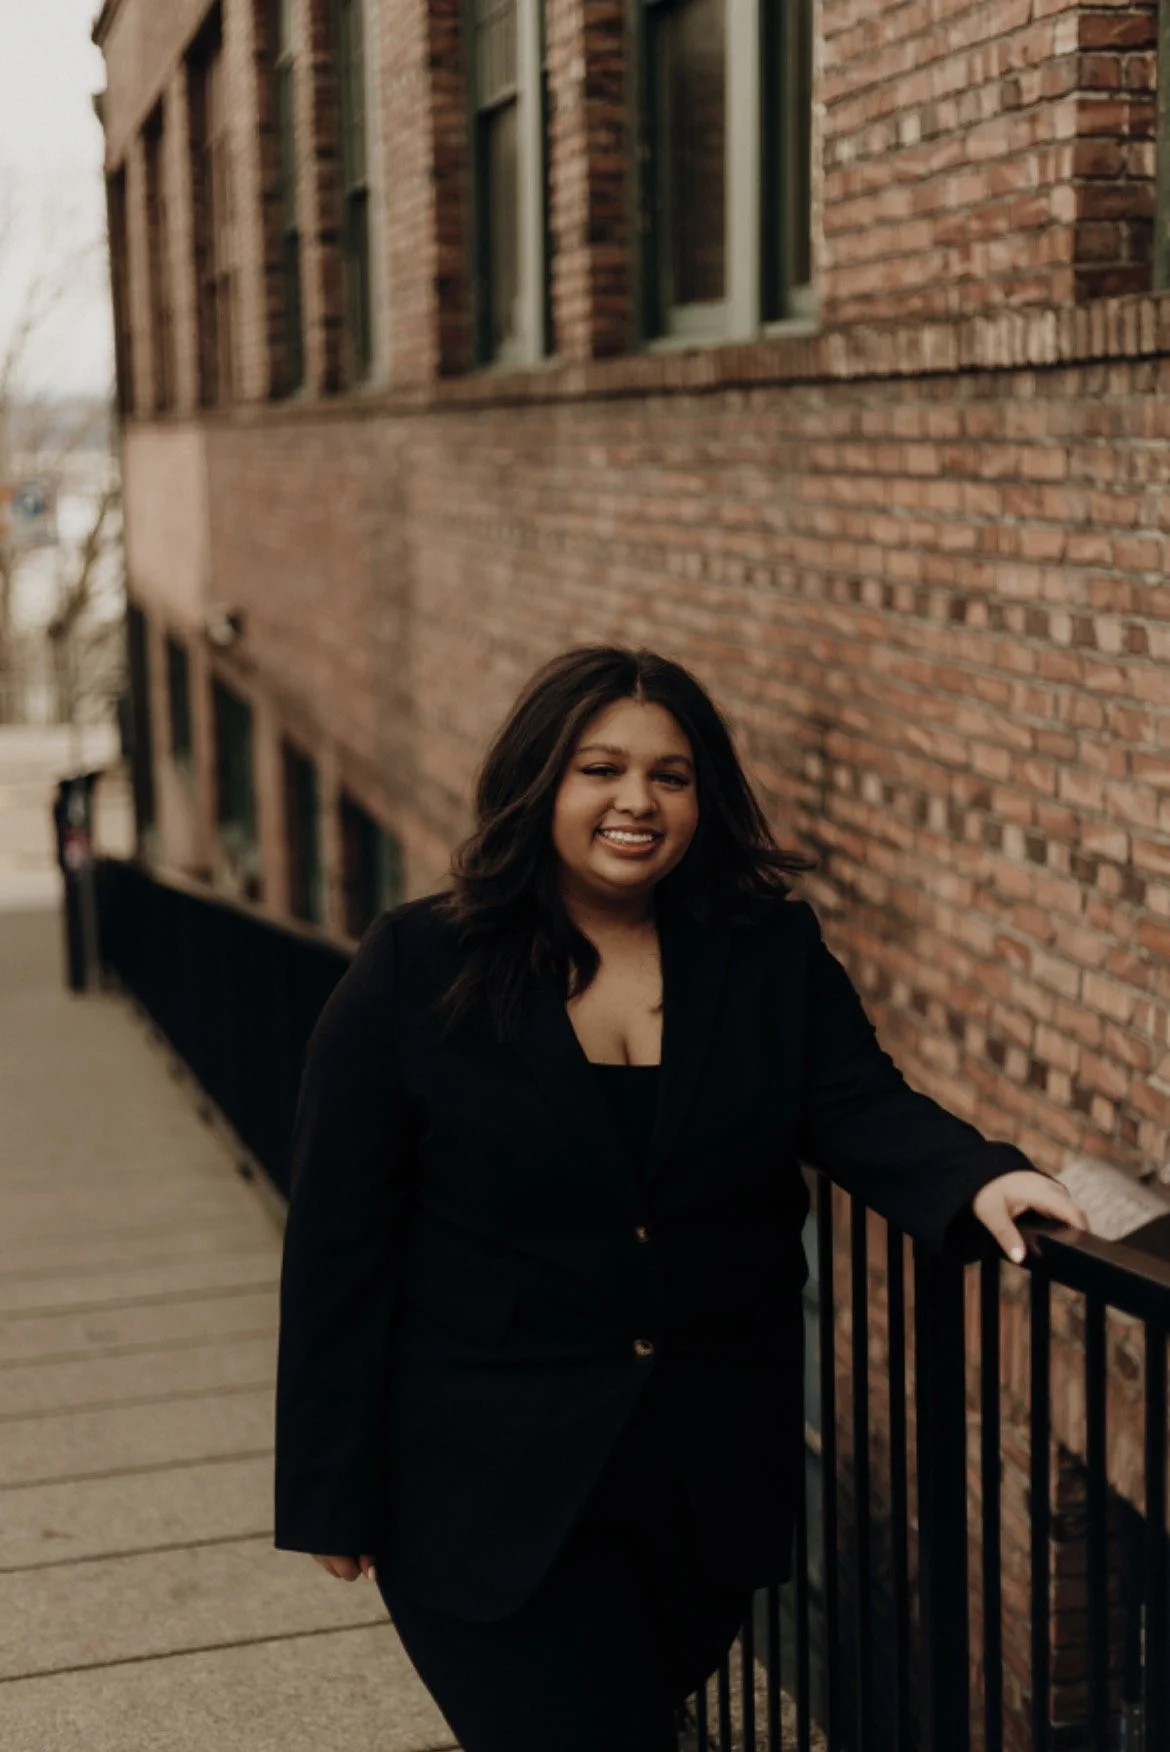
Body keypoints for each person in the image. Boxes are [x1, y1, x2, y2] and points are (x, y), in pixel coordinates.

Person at [273, 644, 1089, 1751]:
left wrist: (979, 1174)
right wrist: (329, 1486)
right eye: (598, 769)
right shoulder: (418, 965)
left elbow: (856, 1099)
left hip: (700, 1485)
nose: (636, 802)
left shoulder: (765, 952)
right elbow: (337, 1241)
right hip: (481, 1489)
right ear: (539, 783)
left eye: (672, 775)